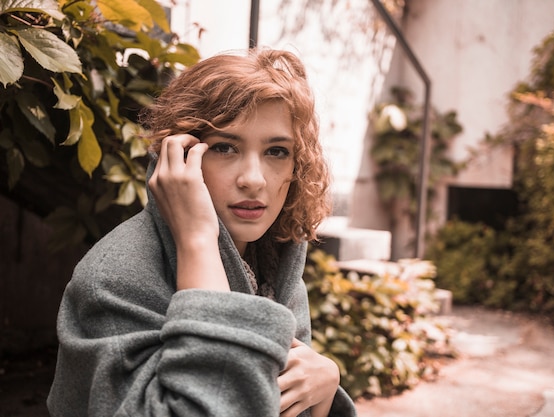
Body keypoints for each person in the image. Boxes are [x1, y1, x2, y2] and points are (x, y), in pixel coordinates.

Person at [47, 48, 357, 417]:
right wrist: (197, 240)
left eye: (277, 151)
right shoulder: (115, 279)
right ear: (178, 155)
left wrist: (324, 388)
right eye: (225, 147)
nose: (254, 180)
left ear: (297, 166)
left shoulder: (273, 268)